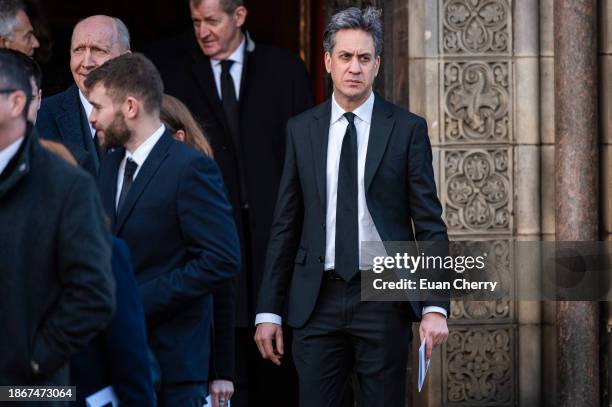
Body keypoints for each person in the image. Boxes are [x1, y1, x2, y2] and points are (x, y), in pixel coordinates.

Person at [254, 7, 450, 407]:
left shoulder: (407, 129)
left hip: (383, 297)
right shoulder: (301, 129)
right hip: (315, 299)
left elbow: (429, 224)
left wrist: (435, 306)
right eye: (345, 57)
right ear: (327, 61)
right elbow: (285, 225)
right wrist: (268, 311)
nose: (354, 67)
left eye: (364, 58)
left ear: (377, 64)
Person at [147, 1, 313, 404]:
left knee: (279, 378)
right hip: (207, 241)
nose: (202, 31)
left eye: (212, 21)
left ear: (239, 17)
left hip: (275, 245)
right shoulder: (169, 66)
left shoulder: (285, 70)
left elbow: (308, 161)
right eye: (195, 22)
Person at [89, 52, 240, 406]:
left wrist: (137, 301)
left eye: (98, 107)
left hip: (174, 365)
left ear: (129, 107)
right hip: (115, 362)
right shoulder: (108, 166)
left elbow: (221, 260)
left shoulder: (190, 168)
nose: (93, 118)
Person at [0, 49, 115, 392]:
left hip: (32, 388)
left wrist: (34, 357)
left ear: (17, 102)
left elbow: (94, 294)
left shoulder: (67, 183)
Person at [160, 93, 235, 406]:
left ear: (179, 136)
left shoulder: (200, 183)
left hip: (191, 356)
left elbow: (222, 283)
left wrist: (222, 371)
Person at [35, 15, 130, 174]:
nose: (86, 63)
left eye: (98, 50)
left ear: (126, 60)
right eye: (78, 50)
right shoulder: (40, 116)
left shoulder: (150, 115)